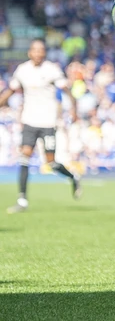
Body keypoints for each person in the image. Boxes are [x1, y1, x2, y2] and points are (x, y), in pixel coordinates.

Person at [0, 39, 82, 213]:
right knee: (24, 156)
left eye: (41, 50)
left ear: (44, 52)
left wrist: (74, 110)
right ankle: (22, 200)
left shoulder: (51, 69)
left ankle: (72, 177)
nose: (38, 53)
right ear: (30, 52)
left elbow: (67, 90)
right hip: (29, 120)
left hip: (48, 121)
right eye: (35, 50)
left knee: (50, 162)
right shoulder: (22, 70)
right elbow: (11, 90)